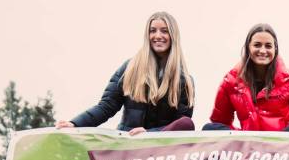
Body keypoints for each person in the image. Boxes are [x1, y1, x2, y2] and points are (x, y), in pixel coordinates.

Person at [56, 11, 195, 134]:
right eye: (152, 31)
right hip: (128, 147)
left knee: (187, 123)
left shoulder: (184, 81)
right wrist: (75, 123)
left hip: (161, 152)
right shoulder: (130, 68)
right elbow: (106, 107)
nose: (157, 36)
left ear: (173, 36)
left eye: (164, 31)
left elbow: (181, 128)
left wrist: (150, 134)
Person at [205, 23, 289, 133]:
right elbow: (220, 122)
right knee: (209, 128)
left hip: (282, 147)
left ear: (275, 49)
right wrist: (240, 138)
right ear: (248, 47)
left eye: (268, 46)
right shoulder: (230, 82)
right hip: (248, 147)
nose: (262, 51)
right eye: (257, 45)